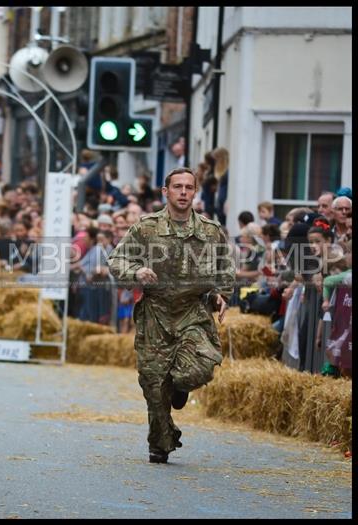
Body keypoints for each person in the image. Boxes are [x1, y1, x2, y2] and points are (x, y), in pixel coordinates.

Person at [108, 167, 235, 464]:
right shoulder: (146, 227)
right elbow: (117, 259)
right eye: (177, 186)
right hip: (156, 313)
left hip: (193, 311)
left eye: (188, 187)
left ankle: (181, 386)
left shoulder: (210, 230)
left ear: (194, 192)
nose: (183, 192)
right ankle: (160, 443)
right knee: (153, 384)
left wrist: (222, 294)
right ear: (165, 192)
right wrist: (136, 271)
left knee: (199, 368)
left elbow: (224, 267)